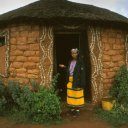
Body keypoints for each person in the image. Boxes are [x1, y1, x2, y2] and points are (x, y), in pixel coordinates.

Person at [59, 48, 86, 116]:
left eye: (75, 53)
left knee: (77, 95)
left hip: (77, 81)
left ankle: (77, 110)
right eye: (72, 53)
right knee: (71, 95)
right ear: (71, 54)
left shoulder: (80, 62)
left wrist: (81, 82)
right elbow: (70, 70)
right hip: (70, 81)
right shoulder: (70, 61)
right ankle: (72, 109)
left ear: (77, 54)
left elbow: (82, 73)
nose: (74, 54)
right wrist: (65, 67)